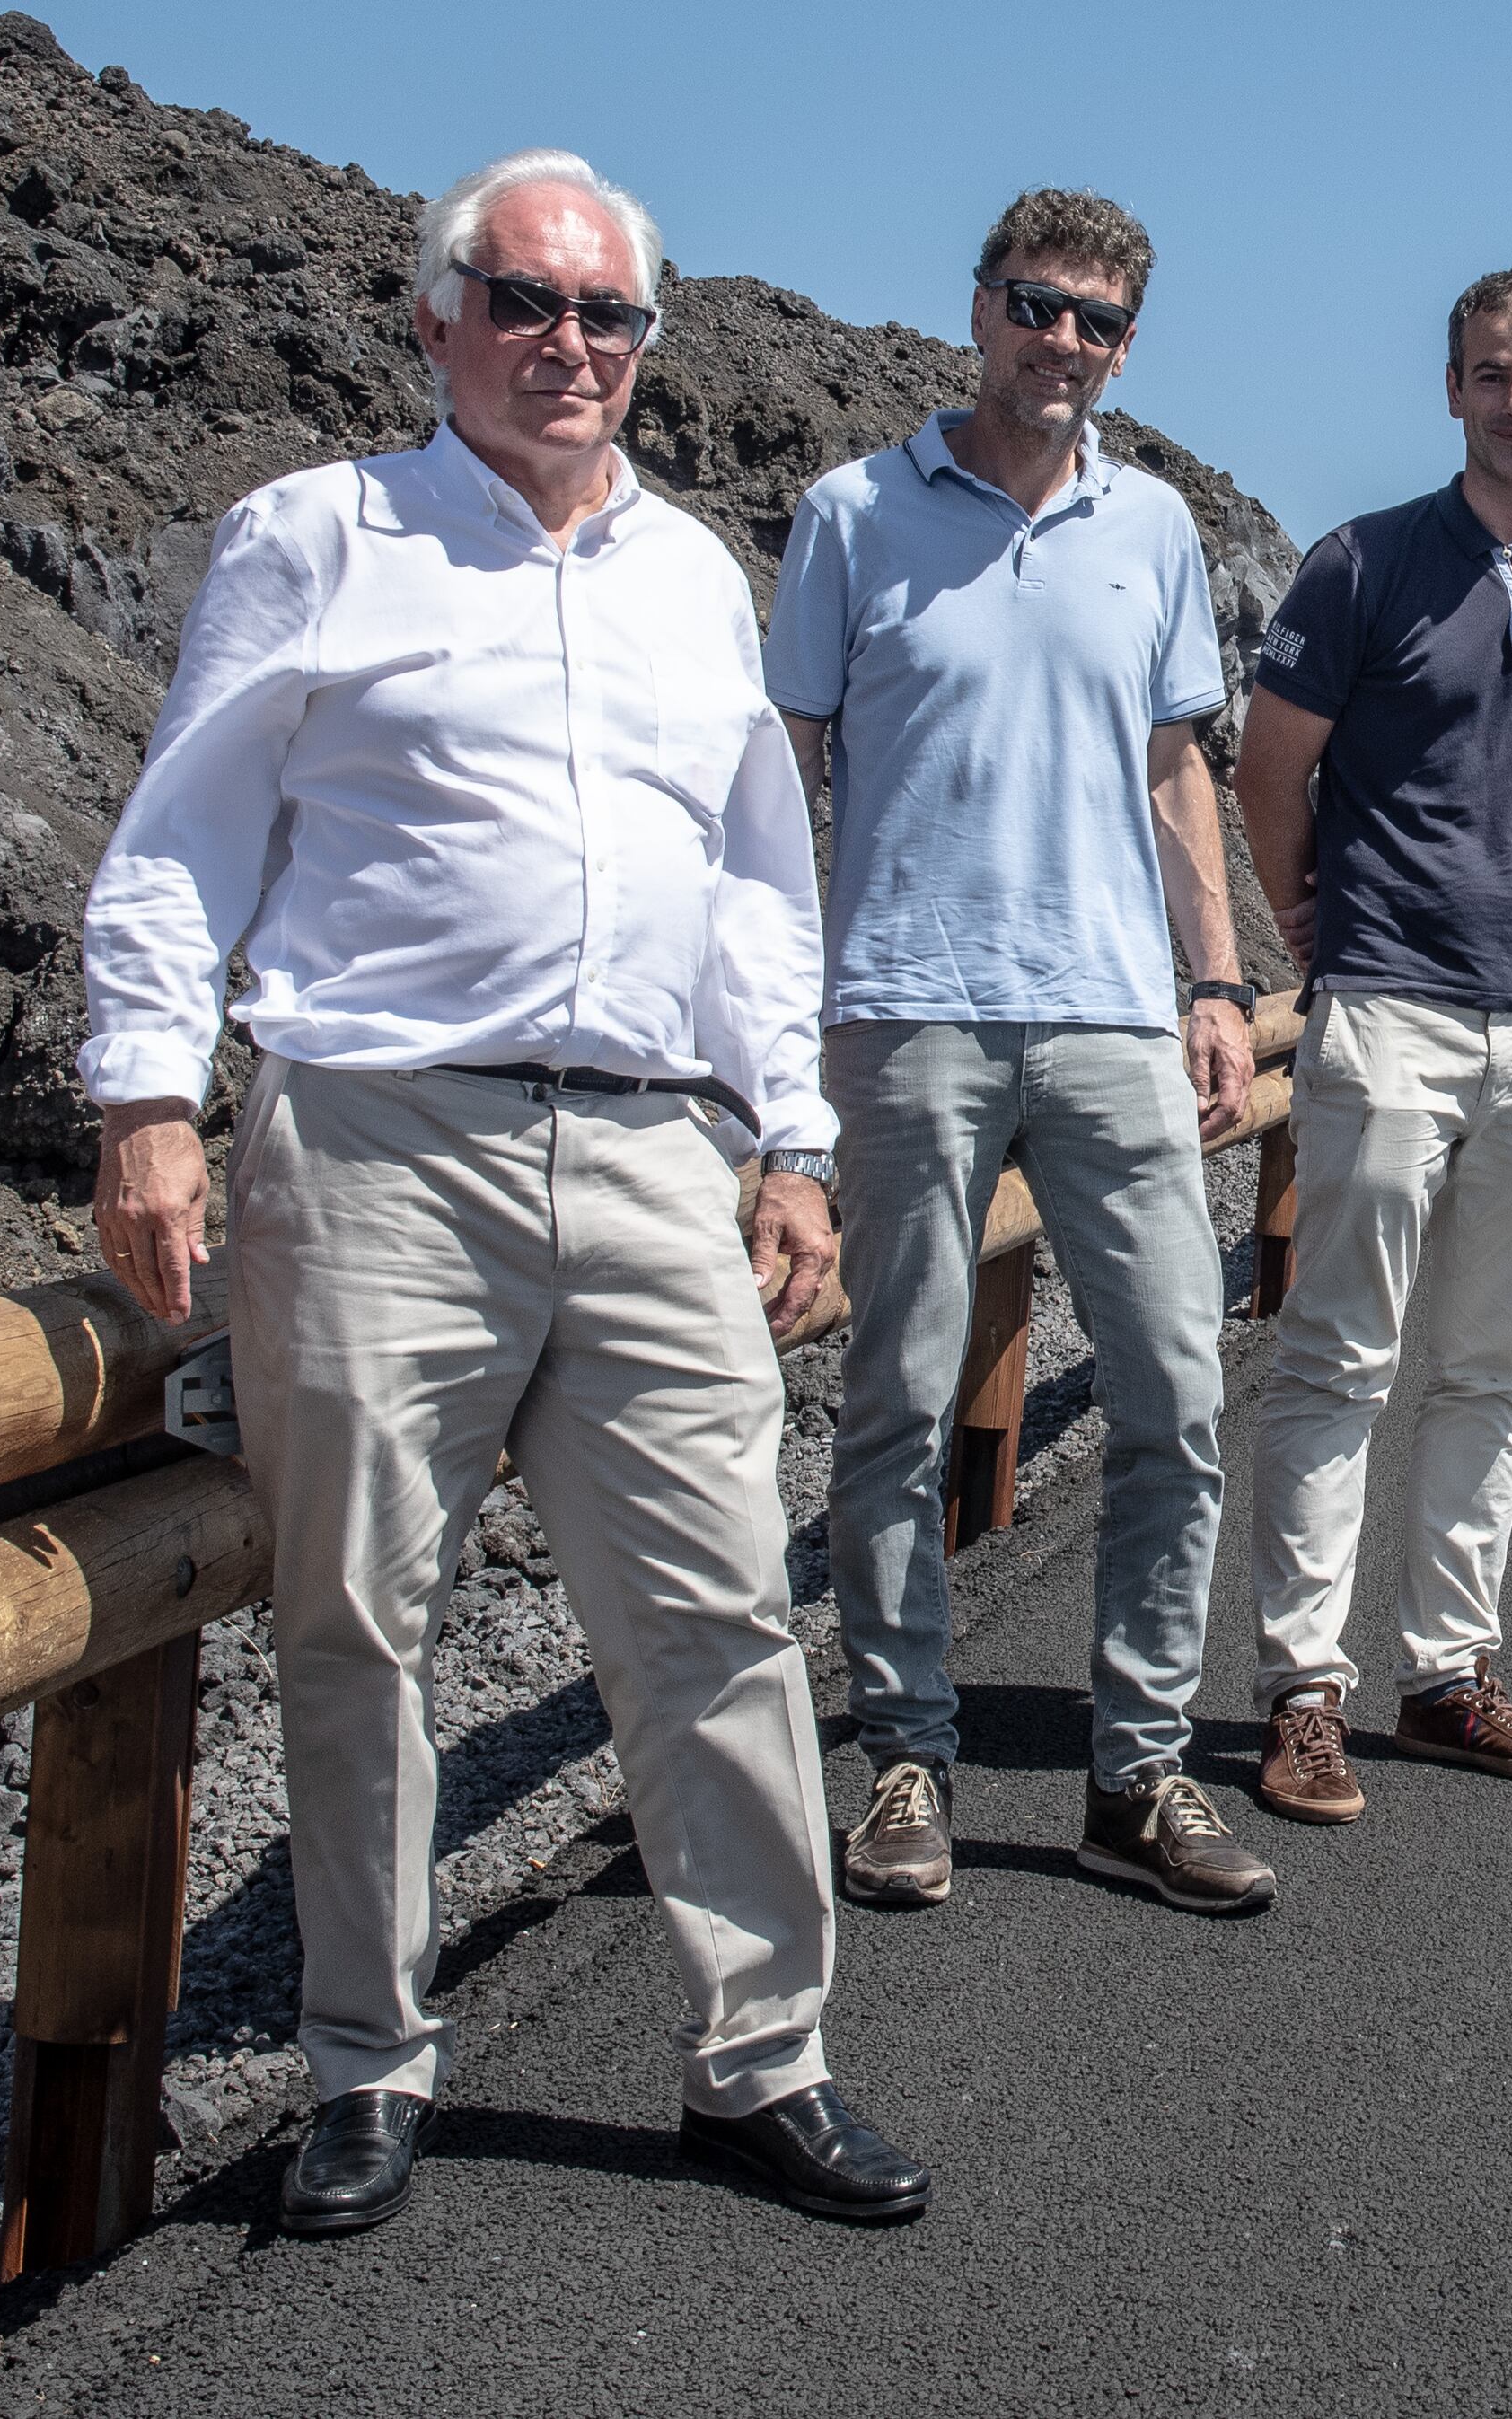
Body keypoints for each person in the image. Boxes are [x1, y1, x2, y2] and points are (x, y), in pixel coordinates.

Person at [80, 148, 926, 2237]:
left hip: (651, 1145)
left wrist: (793, 1137)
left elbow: (752, 879)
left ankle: (766, 2054)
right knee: (364, 1611)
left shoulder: (692, 577)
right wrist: (145, 1096)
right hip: (380, 1137)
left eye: (608, 313)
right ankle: (369, 2058)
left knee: (720, 1606)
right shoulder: (318, 536)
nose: (571, 345)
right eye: (527, 303)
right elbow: (181, 835)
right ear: (438, 316)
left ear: (650, 339)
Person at [765, 188, 1277, 1917]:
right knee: (895, 1397)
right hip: (907, 1010)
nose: (1065, 343)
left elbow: (1177, 767)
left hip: (1117, 1009)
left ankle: (1136, 1773)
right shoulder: (853, 513)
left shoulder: (1158, 527)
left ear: (1129, 343)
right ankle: (905, 1745)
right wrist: (772, 1031)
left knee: (1179, 1394)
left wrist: (1218, 982)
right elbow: (783, 777)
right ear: (979, 308)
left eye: (1100, 322)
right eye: (1038, 306)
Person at [1228, 264, 1512, 1826]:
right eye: (1489, 373)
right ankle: (1304, 1691)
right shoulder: (1363, 566)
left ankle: (1448, 1673)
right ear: (1453, 391)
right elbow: (1275, 769)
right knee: (1340, 1352)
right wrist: (1312, 931)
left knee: (1497, 1363)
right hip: (1392, 1005)